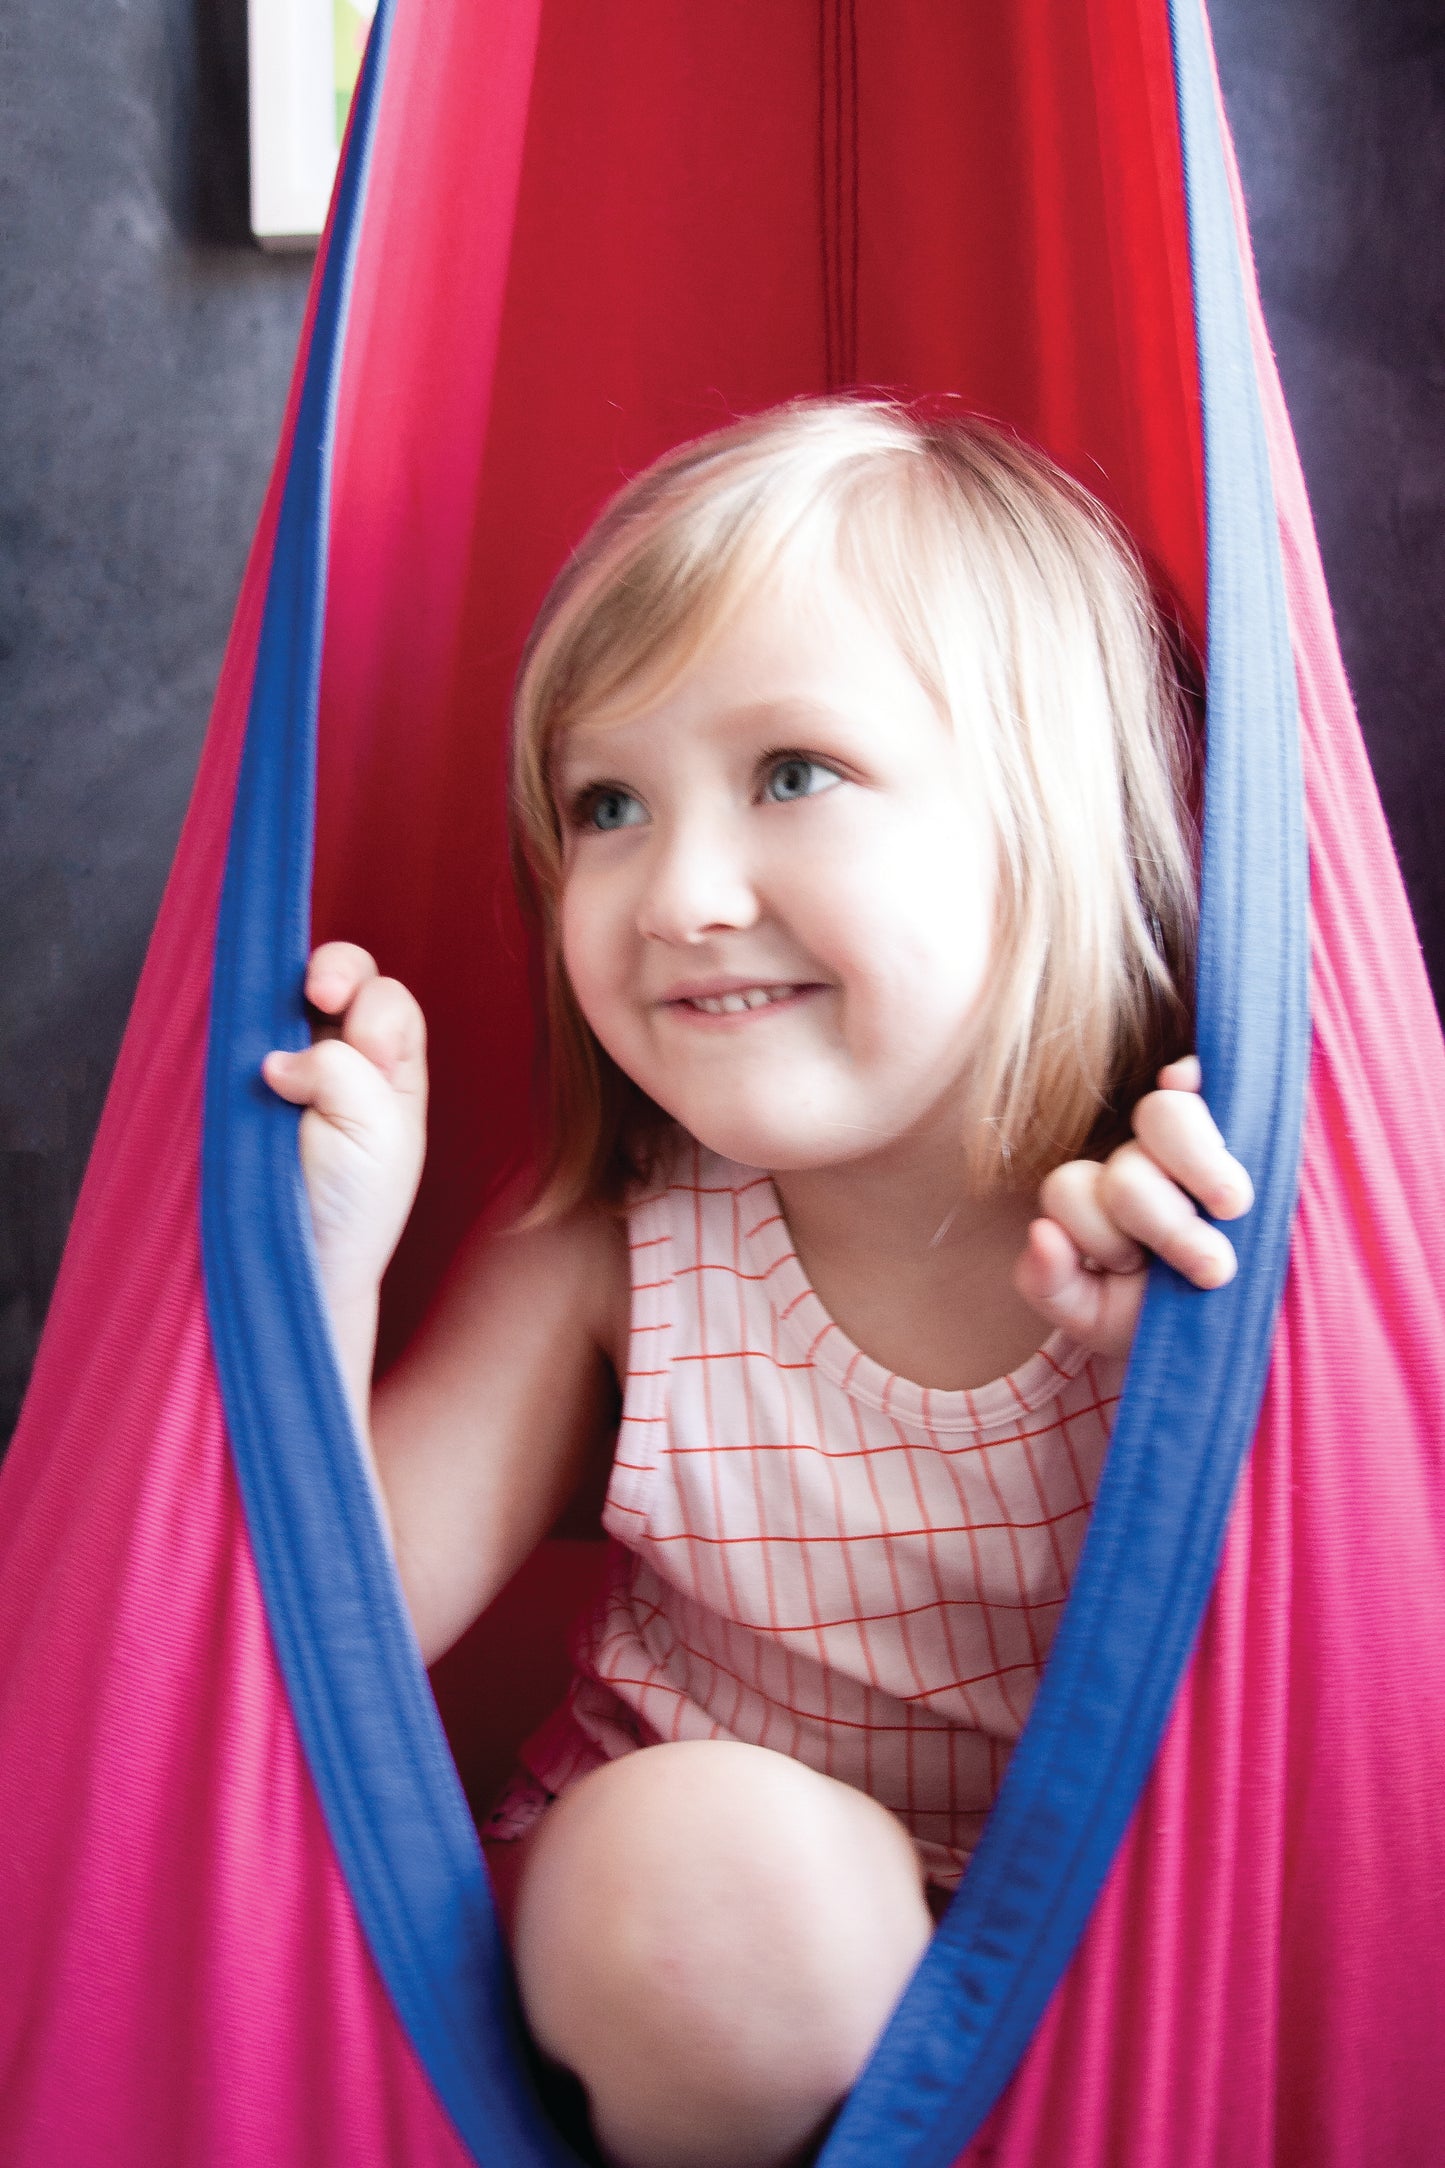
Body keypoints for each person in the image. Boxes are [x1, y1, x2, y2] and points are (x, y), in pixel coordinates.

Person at [262, 400, 1252, 2168]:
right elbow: (306, 1637)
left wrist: (1212, 1377)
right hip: (680, 1981)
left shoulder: (1196, 1213)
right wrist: (320, 1282)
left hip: (1121, 2003)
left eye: (792, 773)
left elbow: (1347, 1687)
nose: (677, 893)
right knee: (733, 1890)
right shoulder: (614, 1240)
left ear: (1058, 815)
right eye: (608, 805)